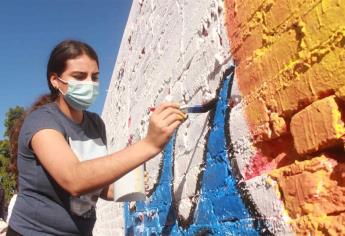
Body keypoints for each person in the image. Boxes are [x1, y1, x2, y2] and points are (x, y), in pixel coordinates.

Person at [7, 39, 187, 236]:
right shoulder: (42, 121)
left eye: (95, 77)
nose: (90, 84)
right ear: (55, 80)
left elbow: (97, 188)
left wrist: (129, 186)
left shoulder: (95, 125)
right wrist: (150, 144)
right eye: (79, 76)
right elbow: (74, 179)